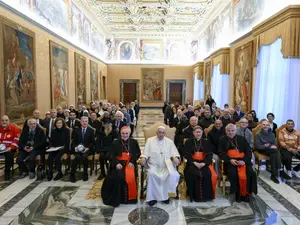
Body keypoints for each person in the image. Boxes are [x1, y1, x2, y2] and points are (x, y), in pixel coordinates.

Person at [140, 126, 181, 206]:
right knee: (151, 174)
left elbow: (174, 153)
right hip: (153, 165)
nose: (161, 134)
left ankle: (165, 197)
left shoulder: (169, 142)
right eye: (159, 132)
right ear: (156, 132)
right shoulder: (150, 140)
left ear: (165, 133)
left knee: (169, 174)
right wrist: (143, 158)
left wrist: (175, 158)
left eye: (163, 133)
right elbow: (145, 153)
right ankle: (152, 198)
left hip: (166, 165)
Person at [101, 126, 141, 207]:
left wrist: (132, 161)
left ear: (129, 134)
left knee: (130, 177)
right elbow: (111, 154)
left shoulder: (134, 142)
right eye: (123, 133)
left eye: (126, 133)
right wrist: (116, 163)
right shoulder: (115, 142)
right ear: (120, 133)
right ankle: (118, 199)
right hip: (118, 163)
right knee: (117, 176)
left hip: (129, 163)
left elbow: (137, 153)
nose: (125, 135)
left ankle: (130, 199)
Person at [218, 124, 257, 202]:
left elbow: (248, 151)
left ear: (236, 131)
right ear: (226, 131)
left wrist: (244, 161)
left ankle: (247, 193)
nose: (230, 132)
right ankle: (237, 194)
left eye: (232, 131)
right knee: (234, 174)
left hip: (243, 162)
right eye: (228, 131)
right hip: (230, 163)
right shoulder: (222, 140)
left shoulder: (242, 139)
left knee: (250, 172)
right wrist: (230, 160)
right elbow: (221, 153)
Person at [184, 126, 217, 202]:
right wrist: (194, 162)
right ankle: (194, 196)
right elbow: (186, 154)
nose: (198, 134)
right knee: (194, 174)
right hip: (192, 163)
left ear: (202, 133)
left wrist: (204, 163)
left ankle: (205, 197)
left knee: (207, 174)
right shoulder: (188, 142)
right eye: (196, 132)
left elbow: (209, 155)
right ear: (193, 133)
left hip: (204, 163)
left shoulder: (206, 142)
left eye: (199, 132)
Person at [70, 116, 95, 183]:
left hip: (87, 149)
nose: (84, 122)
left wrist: (88, 148)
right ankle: (72, 174)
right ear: (80, 122)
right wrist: (75, 147)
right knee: (76, 157)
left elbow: (93, 143)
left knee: (84, 157)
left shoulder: (91, 130)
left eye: (86, 121)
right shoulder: (76, 130)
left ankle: (85, 173)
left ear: (88, 122)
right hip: (77, 149)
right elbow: (73, 141)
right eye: (83, 121)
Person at [0, 115, 20, 181]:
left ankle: (7, 173)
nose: (4, 122)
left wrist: (11, 147)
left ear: (9, 121)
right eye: (2, 120)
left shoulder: (14, 128)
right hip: (0, 148)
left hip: (10, 148)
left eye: (6, 120)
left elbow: (16, 140)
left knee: (9, 156)